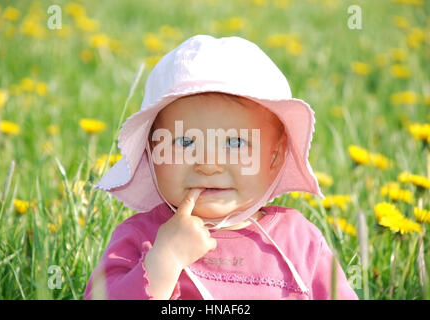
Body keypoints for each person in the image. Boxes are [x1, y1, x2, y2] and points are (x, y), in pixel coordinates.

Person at [84, 34, 359, 300]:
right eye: (185, 141)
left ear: (274, 158)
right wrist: (163, 263)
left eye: (236, 143)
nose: (209, 164)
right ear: (153, 153)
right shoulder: (141, 239)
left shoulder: (301, 243)